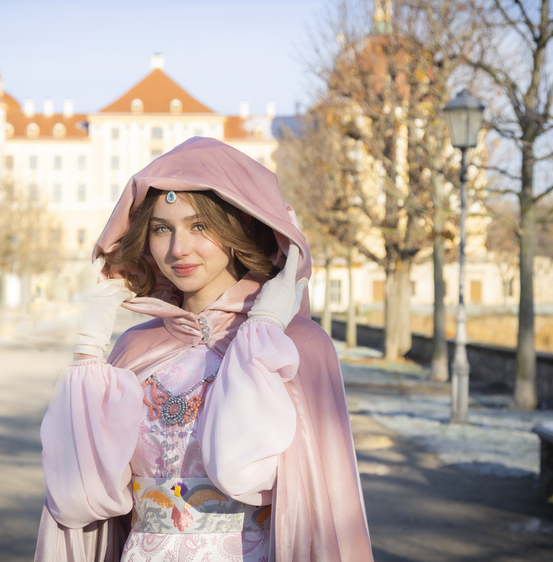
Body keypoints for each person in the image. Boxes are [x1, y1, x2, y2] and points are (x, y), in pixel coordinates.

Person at [34, 137, 373, 561]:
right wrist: (89, 352)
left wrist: (262, 330)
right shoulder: (134, 347)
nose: (178, 250)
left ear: (239, 230)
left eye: (200, 226)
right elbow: (79, 496)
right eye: (162, 229)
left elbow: (245, 472)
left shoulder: (296, 343)